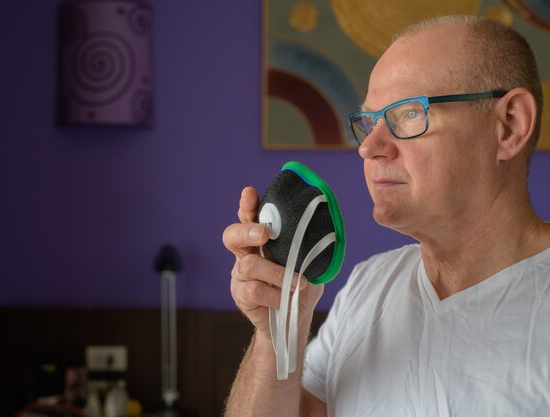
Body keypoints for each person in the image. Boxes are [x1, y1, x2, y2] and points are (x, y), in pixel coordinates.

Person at [222, 15, 550, 417]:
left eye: (409, 113)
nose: (369, 147)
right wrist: (278, 331)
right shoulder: (368, 285)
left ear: (509, 126)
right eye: (369, 122)